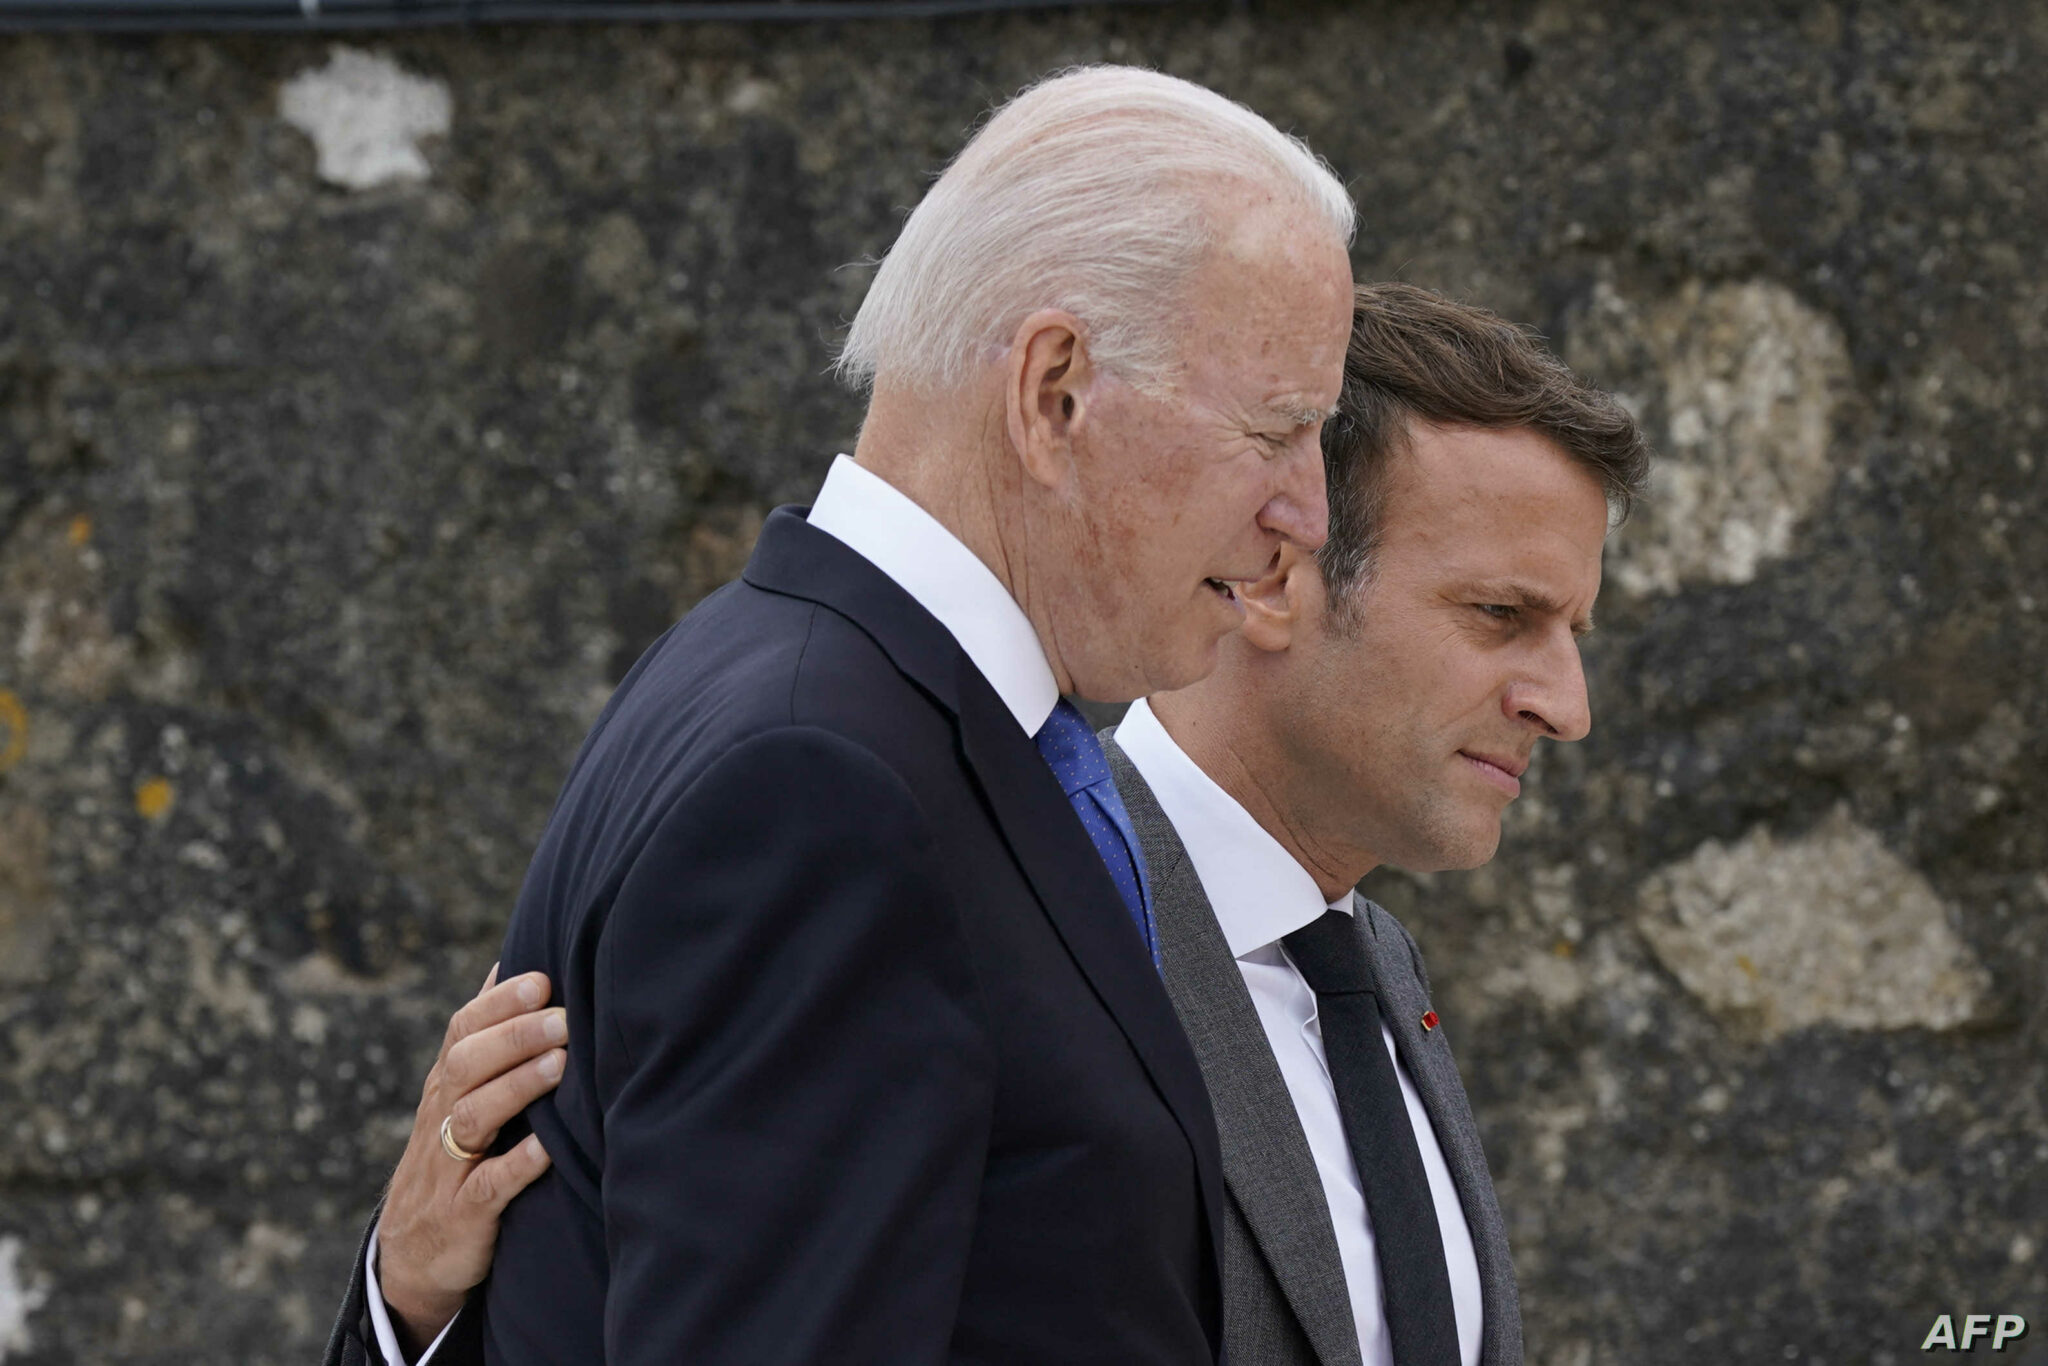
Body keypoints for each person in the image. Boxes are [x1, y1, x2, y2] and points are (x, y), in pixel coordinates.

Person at [339, 283, 1650, 1366]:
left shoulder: (1372, 976)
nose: (1566, 703)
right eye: (1500, 615)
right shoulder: (957, 892)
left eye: (1571, 632)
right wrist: (408, 1312)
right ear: (1278, 569)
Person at [323, 64, 1358, 1366]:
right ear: (1055, 393)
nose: (1306, 516)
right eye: (1280, 428)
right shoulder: (823, 788)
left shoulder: (785, 691)